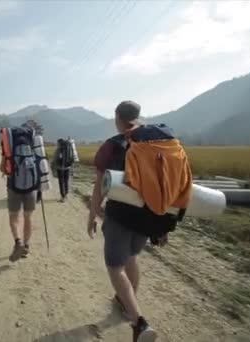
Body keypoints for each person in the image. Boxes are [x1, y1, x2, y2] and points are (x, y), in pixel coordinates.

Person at [87, 100, 158, 342]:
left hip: (119, 216)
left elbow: (100, 185)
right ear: (138, 116)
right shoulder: (154, 143)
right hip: (148, 216)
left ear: (117, 117)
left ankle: (140, 323)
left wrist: (92, 214)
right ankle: (128, 305)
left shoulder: (112, 145)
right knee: (131, 258)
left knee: (115, 267)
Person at [0, 125, 39, 262]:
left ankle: (18, 242)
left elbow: (3, 167)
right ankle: (26, 246)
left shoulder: (8, 143)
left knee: (14, 217)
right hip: (31, 186)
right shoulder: (32, 140)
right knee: (28, 216)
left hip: (13, 186)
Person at [52, 138, 74, 202]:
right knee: (66, 181)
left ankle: (63, 196)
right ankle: (66, 194)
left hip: (60, 168)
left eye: (57, 143)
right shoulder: (68, 148)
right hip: (67, 167)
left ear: (59, 143)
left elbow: (55, 158)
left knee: (61, 182)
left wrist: (54, 166)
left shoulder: (58, 149)